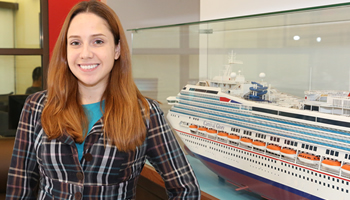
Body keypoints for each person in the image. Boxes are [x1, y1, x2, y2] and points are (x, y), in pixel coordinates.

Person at [6, 1, 200, 199]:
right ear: (65, 50)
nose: (86, 53)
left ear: (116, 49)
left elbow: (186, 188)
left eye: (98, 41)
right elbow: (19, 188)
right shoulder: (37, 107)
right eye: (75, 43)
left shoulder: (144, 113)